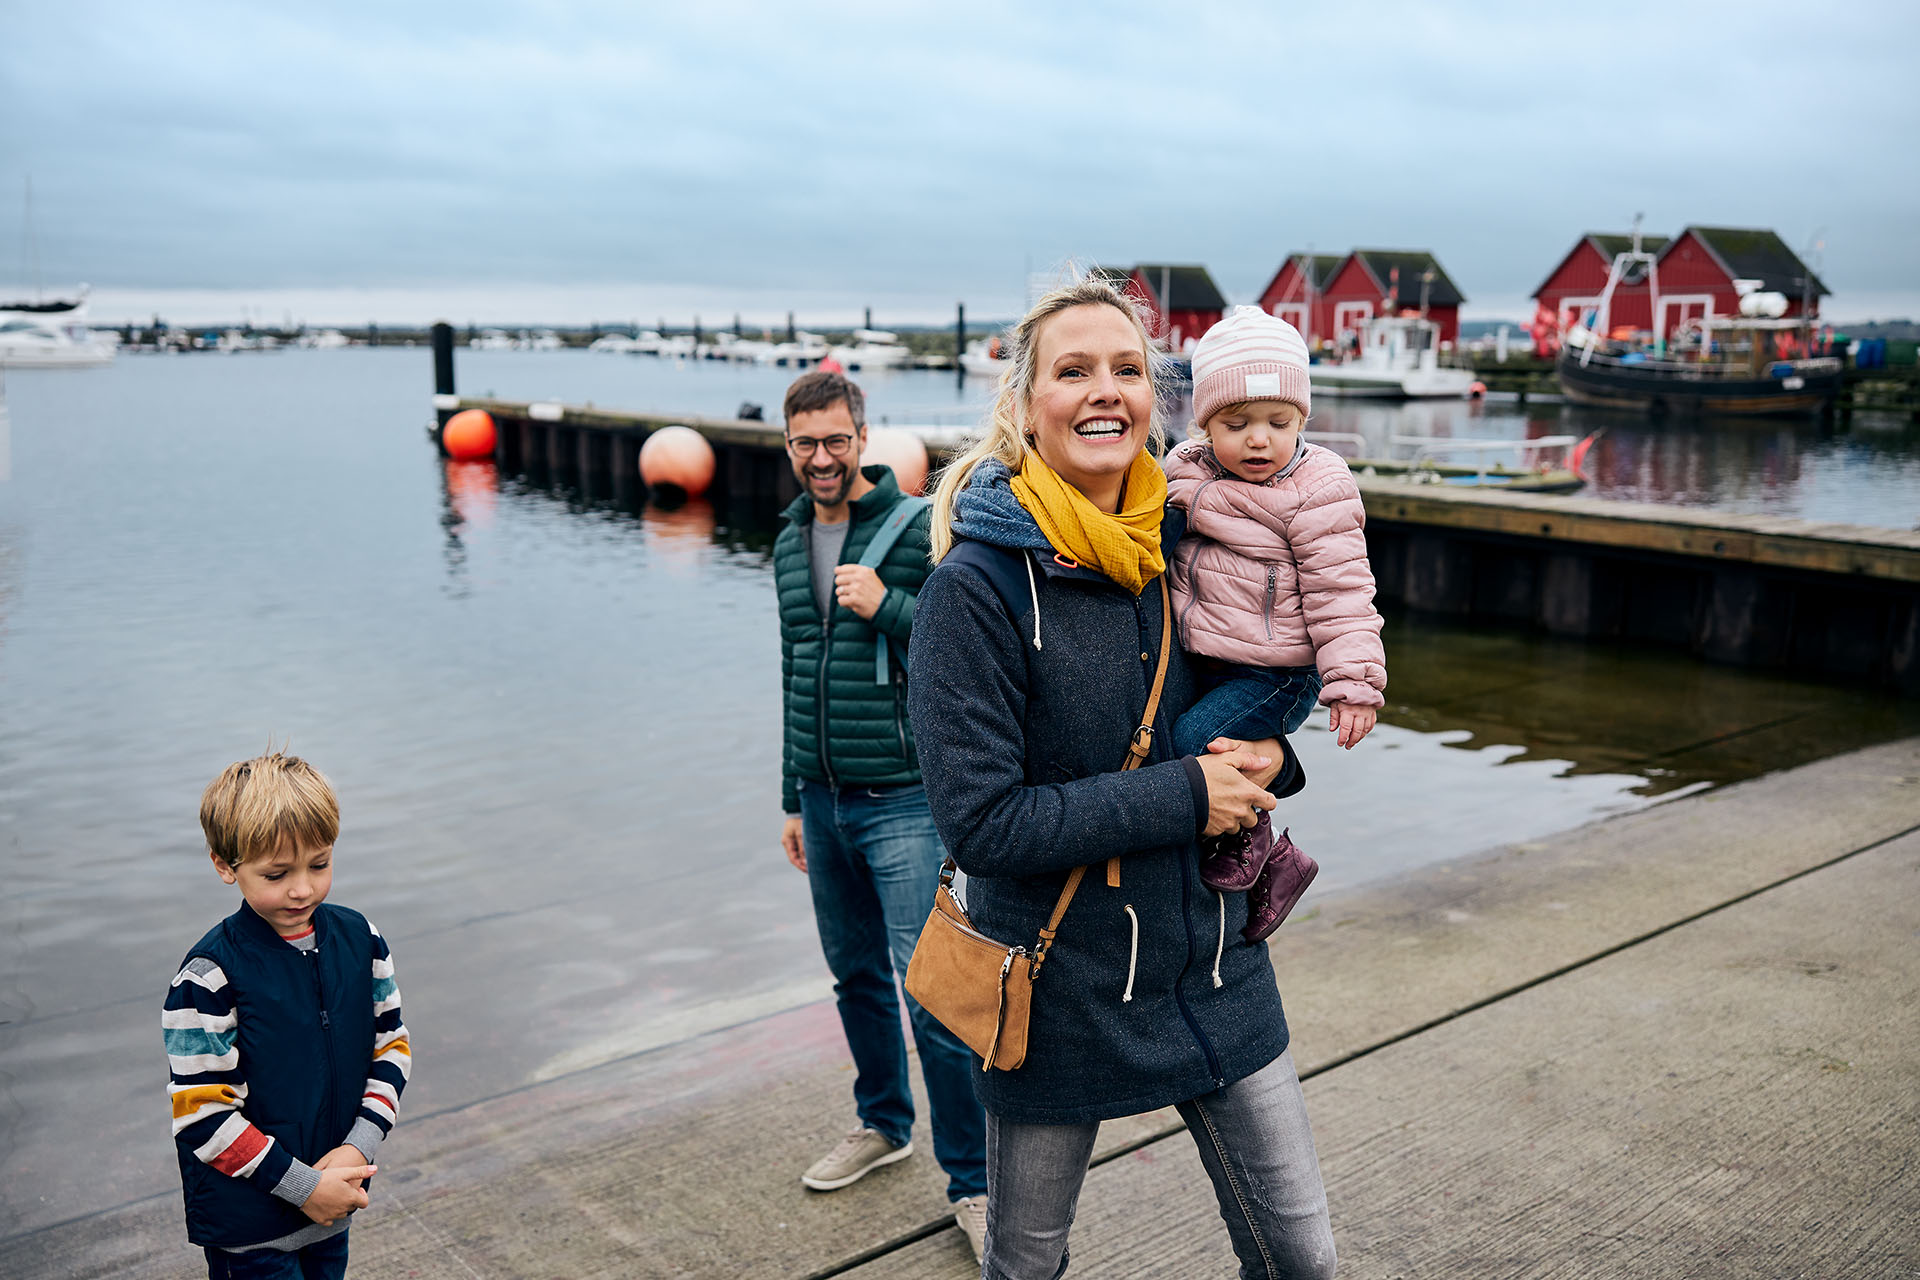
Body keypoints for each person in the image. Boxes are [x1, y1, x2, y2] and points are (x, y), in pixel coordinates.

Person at [908, 278, 1338, 1278]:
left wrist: (1278, 753)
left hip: (1217, 966)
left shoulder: (1192, 540)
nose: (1105, 391)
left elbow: (1265, 677)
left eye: (1127, 369)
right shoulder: (970, 591)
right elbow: (984, 824)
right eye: (1073, 370)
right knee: (1028, 1262)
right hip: (1061, 985)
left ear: (1157, 396)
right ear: (1023, 404)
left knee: (1304, 1260)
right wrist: (1190, 794)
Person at [773, 370, 990, 1257]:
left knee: (930, 994)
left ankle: (975, 1185)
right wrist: (791, 796)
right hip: (821, 802)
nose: (821, 459)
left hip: (903, 801)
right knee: (853, 977)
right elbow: (791, 674)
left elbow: (962, 644)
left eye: (835, 440)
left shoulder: (910, 531)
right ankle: (883, 1123)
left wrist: (889, 605)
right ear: (786, 447)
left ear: (861, 438)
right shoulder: (787, 543)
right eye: (804, 444)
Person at [1163, 305, 1386, 941]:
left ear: (1302, 422)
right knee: (1192, 744)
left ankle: (1267, 846)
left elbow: (1342, 591)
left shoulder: (1317, 486)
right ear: (1205, 424)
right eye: (1236, 424)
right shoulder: (1184, 469)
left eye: (1279, 423)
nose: (1259, 440)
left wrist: (1354, 685)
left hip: (1277, 671)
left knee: (1195, 743)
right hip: (1209, 654)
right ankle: (1265, 872)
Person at [163, 751, 411, 1280]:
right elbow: (202, 1115)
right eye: (277, 873)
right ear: (224, 865)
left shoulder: (361, 940)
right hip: (251, 1231)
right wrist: (304, 1186)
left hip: (335, 1200)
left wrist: (356, 1147)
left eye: (319, 864)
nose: (302, 889)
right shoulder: (208, 977)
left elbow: (391, 1046)